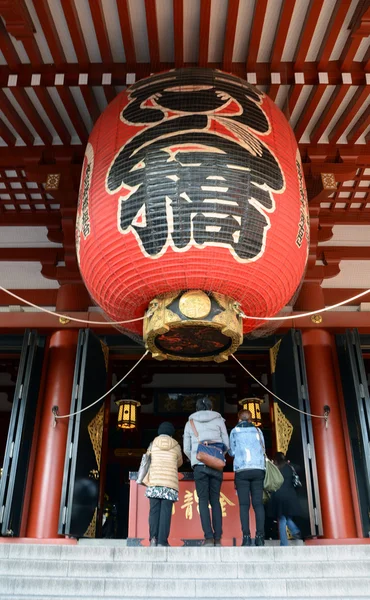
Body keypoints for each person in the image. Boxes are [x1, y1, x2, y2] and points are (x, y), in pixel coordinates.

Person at [183, 397, 229, 546]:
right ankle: (218, 538)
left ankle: (208, 538)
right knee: (215, 500)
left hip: (199, 465)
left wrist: (196, 459)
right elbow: (226, 445)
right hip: (216, 465)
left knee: (203, 500)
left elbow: (186, 448)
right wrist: (216, 457)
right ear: (210, 408)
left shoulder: (190, 423)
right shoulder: (219, 420)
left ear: (197, 409)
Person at [229, 409, 266, 547]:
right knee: (258, 504)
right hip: (258, 469)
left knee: (244, 505)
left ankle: (245, 538)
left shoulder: (234, 431)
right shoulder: (258, 431)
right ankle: (260, 537)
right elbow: (263, 450)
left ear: (239, 419)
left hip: (242, 470)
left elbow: (232, 452)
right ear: (250, 419)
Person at [144, 422, 183, 547]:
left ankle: (153, 539)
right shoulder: (176, 446)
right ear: (171, 432)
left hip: (155, 482)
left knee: (154, 511)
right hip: (169, 484)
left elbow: (147, 459)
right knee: (166, 512)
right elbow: (180, 462)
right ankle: (162, 541)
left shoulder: (153, 444)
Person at [269, 452, 302, 546]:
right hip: (290, 495)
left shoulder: (275, 469)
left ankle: (284, 543)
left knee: (282, 518)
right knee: (287, 516)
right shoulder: (290, 467)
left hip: (279, 495)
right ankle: (295, 530)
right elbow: (299, 468)